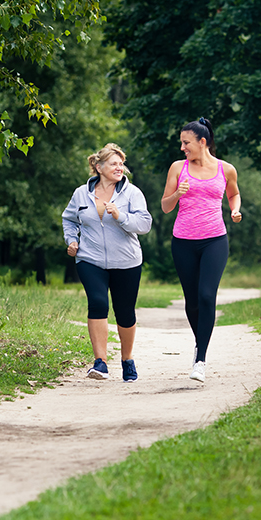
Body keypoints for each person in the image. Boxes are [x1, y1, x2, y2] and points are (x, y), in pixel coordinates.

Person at [62, 143, 152, 382]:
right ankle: (100, 363)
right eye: (114, 163)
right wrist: (71, 240)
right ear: (98, 167)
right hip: (90, 258)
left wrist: (120, 216)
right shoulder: (81, 193)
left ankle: (127, 359)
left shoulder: (133, 193)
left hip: (126, 261)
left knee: (124, 312)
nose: (119, 168)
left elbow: (144, 225)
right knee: (98, 303)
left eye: (121, 164)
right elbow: (69, 219)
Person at [161, 118, 242, 383]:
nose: (182, 147)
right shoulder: (177, 168)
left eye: (186, 143)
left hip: (214, 240)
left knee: (207, 295)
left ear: (202, 142)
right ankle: (201, 342)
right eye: (182, 143)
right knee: (192, 301)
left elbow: (233, 194)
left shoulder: (226, 169)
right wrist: (177, 194)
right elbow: (165, 206)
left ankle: (200, 359)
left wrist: (234, 209)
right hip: (183, 241)